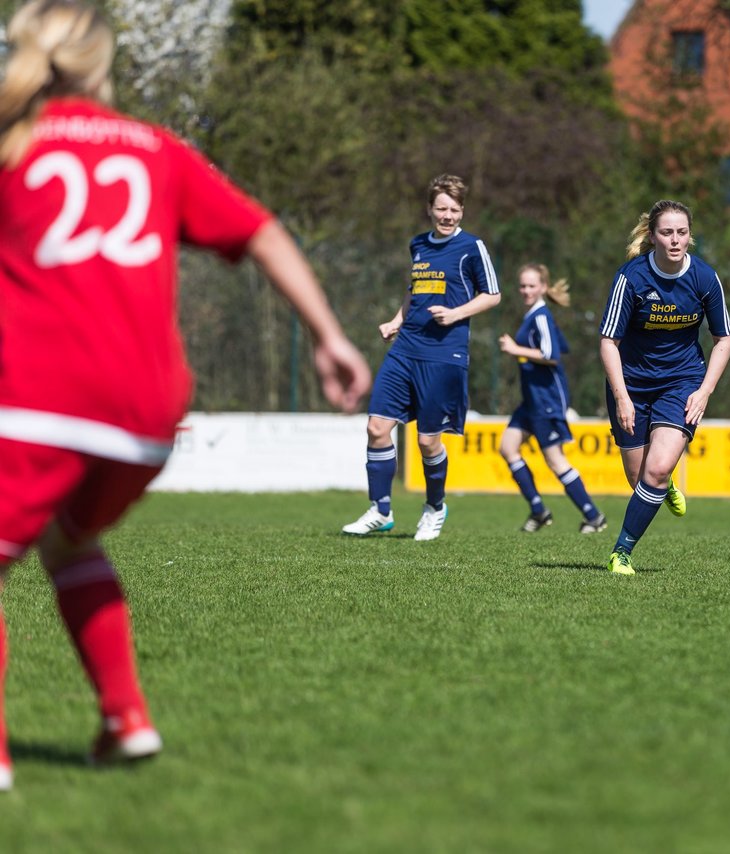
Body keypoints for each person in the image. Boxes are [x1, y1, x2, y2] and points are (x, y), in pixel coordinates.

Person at [0, 0, 371, 789]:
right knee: (70, 543)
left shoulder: (13, 146)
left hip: (39, 394)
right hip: (146, 410)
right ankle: (124, 718)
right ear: (104, 66)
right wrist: (331, 336)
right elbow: (263, 231)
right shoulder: (156, 149)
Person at [342, 174, 501, 541]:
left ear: (462, 211)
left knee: (428, 441)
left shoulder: (472, 246)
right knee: (377, 427)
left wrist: (457, 313)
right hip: (406, 348)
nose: (448, 216)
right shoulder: (418, 245)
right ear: (429, 208)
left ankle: (435, 507)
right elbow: (414, 289)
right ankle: (380, 509)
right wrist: (397, 321)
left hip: (445, 352)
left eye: (455, 210)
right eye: (442, 208)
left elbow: (492, 295)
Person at [598, 200, 730, 575]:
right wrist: (622, 397)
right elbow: (609, 341)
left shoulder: (705, 278)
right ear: (653, 236)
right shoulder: (631, 278)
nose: (675, 240)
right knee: (638, 476)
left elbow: (724, 338)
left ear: (691, 236)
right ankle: (664, 481)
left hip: (682, 381)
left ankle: (621, 552)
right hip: (631, 386)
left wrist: (704, 391)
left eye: (682, 232)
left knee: (654, 471)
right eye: (667, 232)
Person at [498, 264, 608, 534]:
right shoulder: (533, 316)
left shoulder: (541, 317)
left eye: (532, 285)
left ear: (543, 288)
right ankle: (539, 511)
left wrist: (515, 349)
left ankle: (594, 517)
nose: (526, 290)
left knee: (555, 461)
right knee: (508, 447)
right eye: (522, 285)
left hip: (546, 399)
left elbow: (551, 353)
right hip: (532, 400)